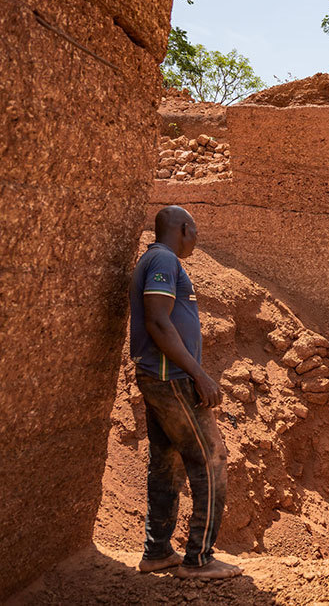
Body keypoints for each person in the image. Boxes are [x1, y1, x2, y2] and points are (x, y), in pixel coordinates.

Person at [129, 206, 241, 579]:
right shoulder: (163, 259)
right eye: (195, 233)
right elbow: (158, 320)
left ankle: (158, 551)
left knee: (166, 464)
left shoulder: (159, 260)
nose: (196, 241)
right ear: (183, 228)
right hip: (171, 377)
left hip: (162, 377)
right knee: (211, 459)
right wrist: (199, 375)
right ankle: (199, 559)